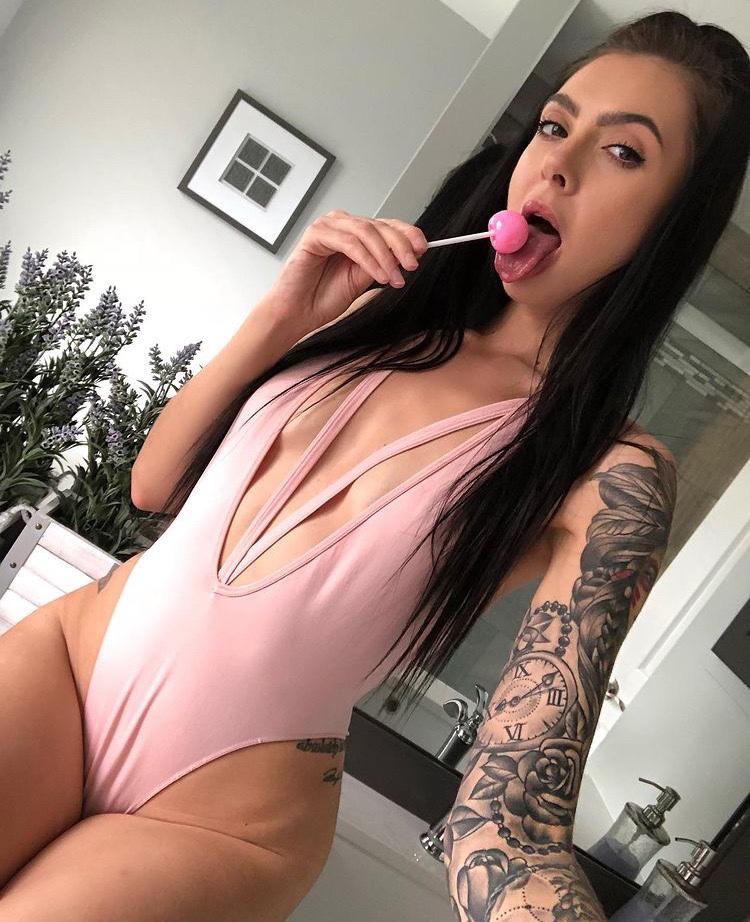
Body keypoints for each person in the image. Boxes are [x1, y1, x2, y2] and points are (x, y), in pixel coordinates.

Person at [0, 10, 747, 922]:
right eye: (556, 126)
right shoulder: (387, 324)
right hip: (66, 664)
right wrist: (286, 314)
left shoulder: (610, 474)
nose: (558, 165)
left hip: (219, 819)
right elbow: (155, 486)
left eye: (624, 152)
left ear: (674, 223)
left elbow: (510, 826)